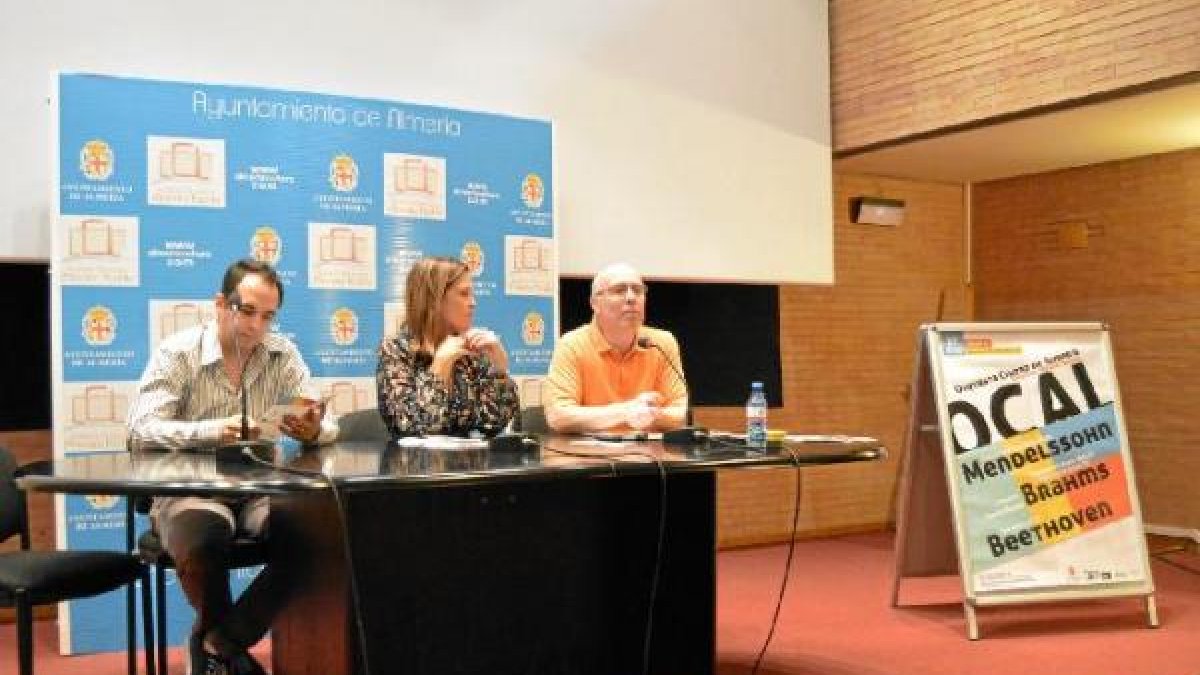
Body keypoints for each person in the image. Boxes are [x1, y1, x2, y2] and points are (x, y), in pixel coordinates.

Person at [127, 258, 337, 675]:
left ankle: (219, 643)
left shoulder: (282, 355)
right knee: (204, 540)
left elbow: (328, 424)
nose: (256, 326)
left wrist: (313, 429)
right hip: (190, 490)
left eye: (268, 316)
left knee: (319, 538)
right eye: (247, 311)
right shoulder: (178, 353)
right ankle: (227, 652)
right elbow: (140, 429)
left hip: (260, 490)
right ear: (221, 304)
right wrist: (211, 431)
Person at [376, 256, 519, 437]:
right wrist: (440, 366)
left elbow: (495, 424)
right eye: (464, 294)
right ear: (433, 300)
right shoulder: (396, 350)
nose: (473, 302)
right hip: (414, 456)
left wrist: (500, 370)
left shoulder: (469, 350)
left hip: (470, 455)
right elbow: (413, 427)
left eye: (472, 294)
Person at [544, 262, 687, 433]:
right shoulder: (571, 345)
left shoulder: (661, 343)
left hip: (648, 448)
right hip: (590, 449)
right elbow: (558, 415)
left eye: (638, 290)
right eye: (619, 290)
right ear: (595, 303)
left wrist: (651, 414)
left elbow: (680, 413)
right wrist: (626, 412)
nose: (631, 298)